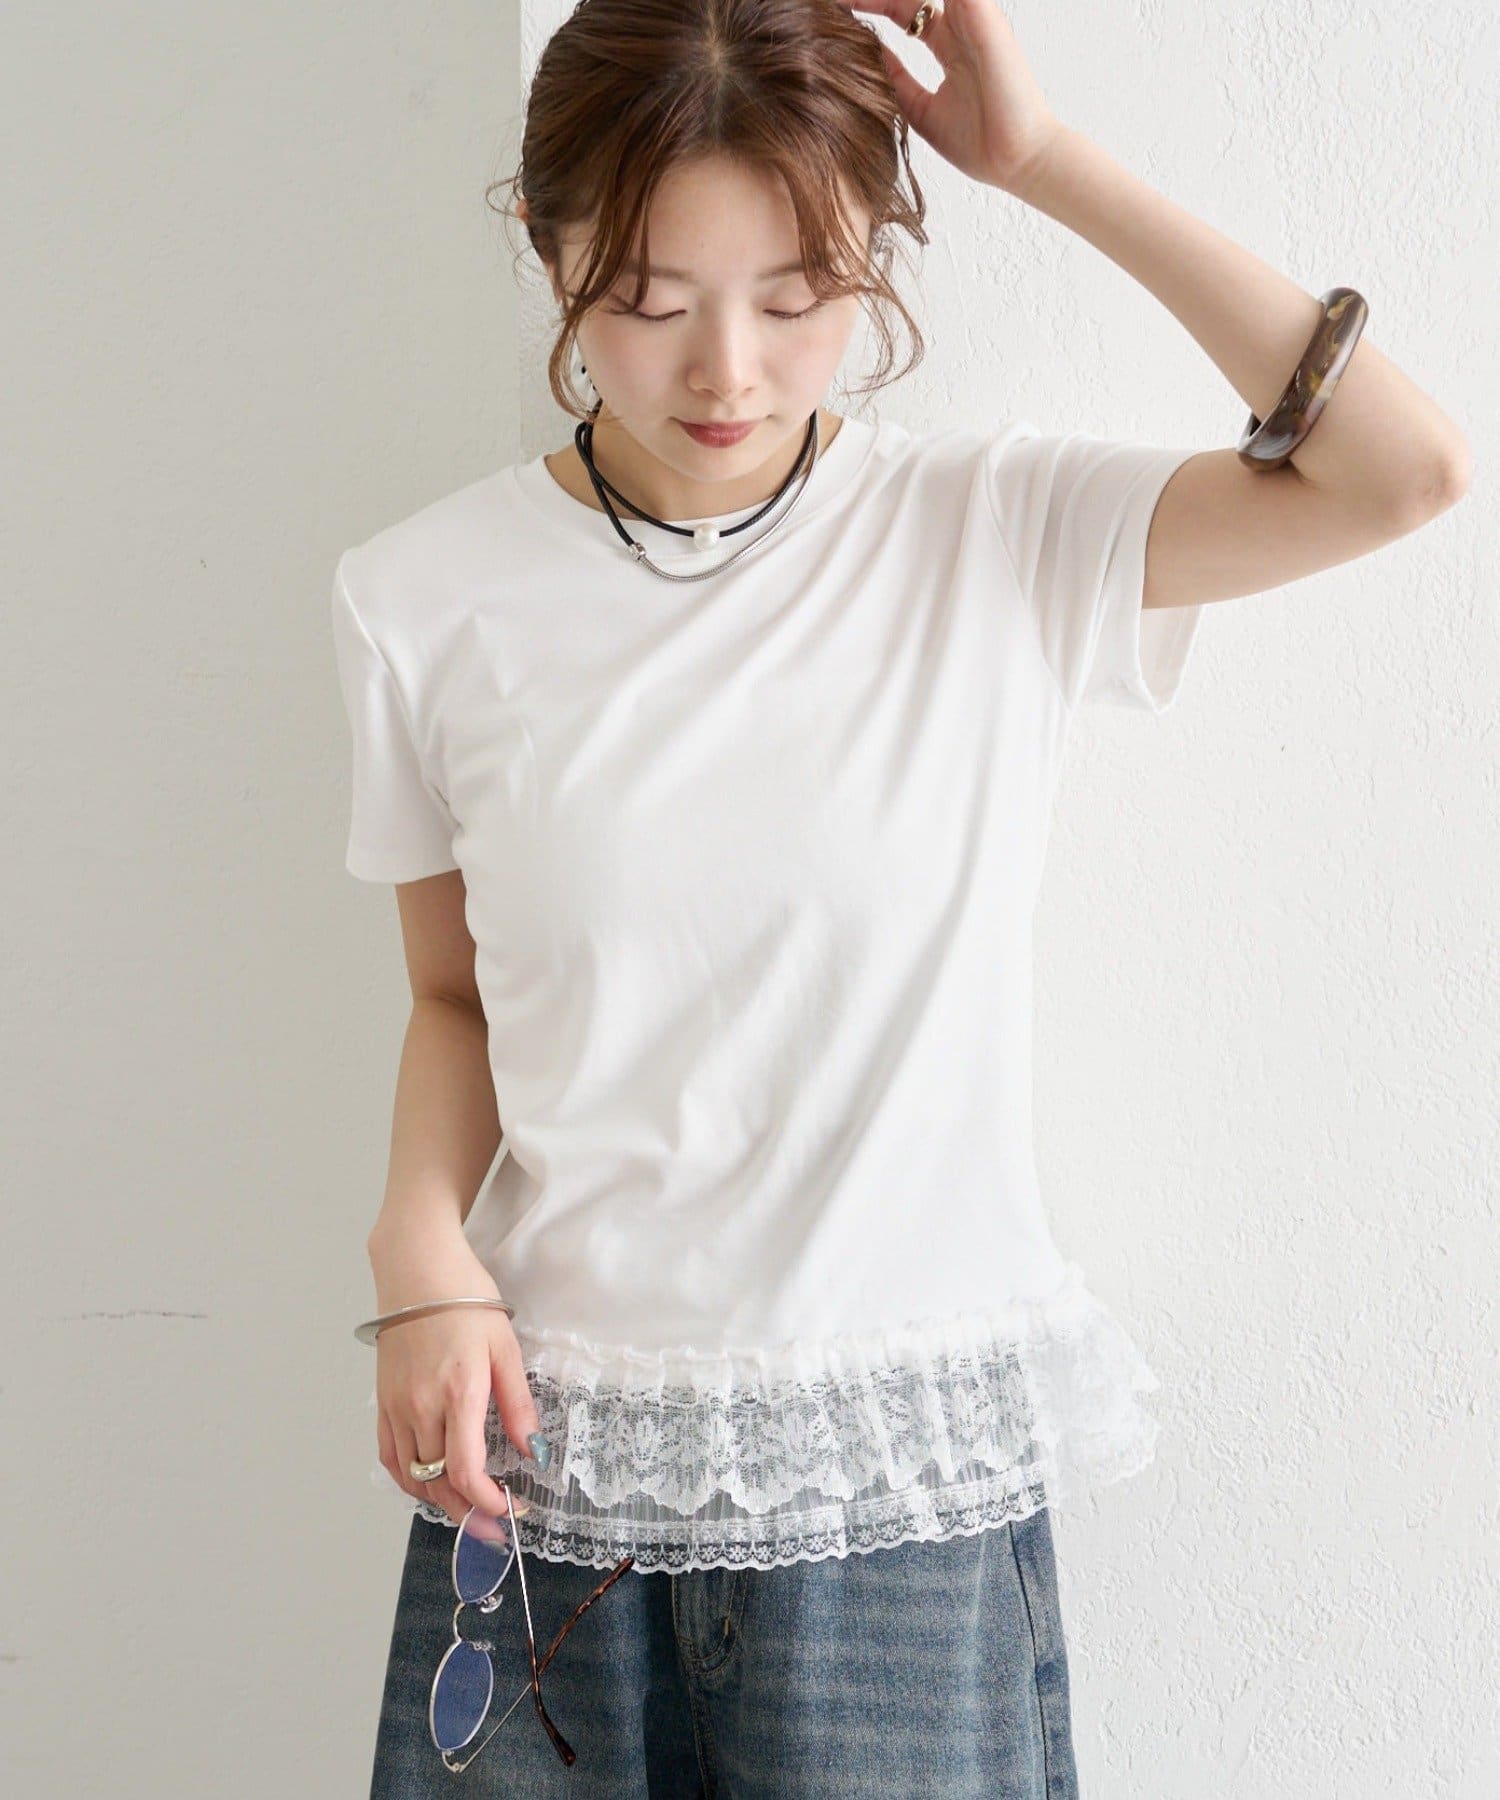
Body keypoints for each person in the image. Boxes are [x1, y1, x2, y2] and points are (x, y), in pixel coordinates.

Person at [330, 3, 1469, 1795]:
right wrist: (420, 1257)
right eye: (648, 299)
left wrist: (1045, 164)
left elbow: (1402, 473)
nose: (729, 369)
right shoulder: (422, 597)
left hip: (893, 1493)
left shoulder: (992, 531)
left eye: (800, 296)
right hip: (544, 1457)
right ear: (550, 251)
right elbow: (455, 993)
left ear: (874, 255)